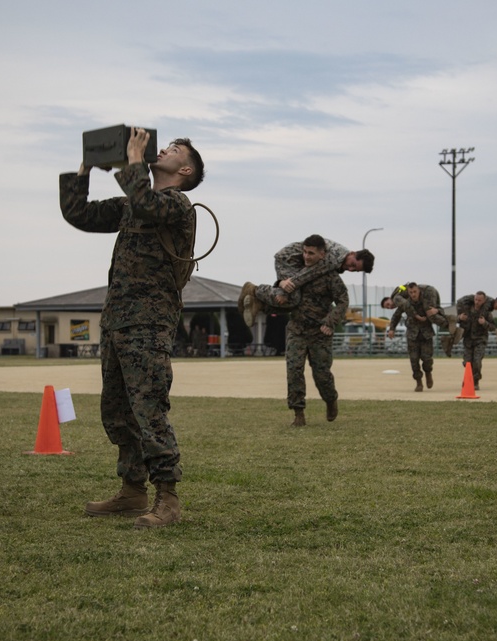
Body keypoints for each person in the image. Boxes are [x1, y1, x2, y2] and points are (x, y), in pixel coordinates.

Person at [60, 129, 204, 528]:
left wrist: (135, 159)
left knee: (148, 408)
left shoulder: (177, 205)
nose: (164, 149)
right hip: (118, 318)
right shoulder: (134, 203)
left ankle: (168, 498)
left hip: (149, 320)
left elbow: (146, 203)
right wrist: (87, 165)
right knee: (118, 410)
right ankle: (132, 490)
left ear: (186, 169)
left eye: (174, 150)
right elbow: (79, 213)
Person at [284, 235, 349, 426]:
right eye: (304, 252)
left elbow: (343, 301)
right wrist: (280, 284)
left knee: (321, 374)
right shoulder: (296, 270)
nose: (306, 256)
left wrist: (330, 322)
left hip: (319, 333)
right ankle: (298, 413)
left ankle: (330, 399)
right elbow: (281, 284)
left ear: (322, 254)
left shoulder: (331, 277)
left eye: (311, 253)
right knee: (294, 370)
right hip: (296, 329)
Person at [239, 239, 374, 326]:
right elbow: (306, 275)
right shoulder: (333, 260)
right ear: (352, 253)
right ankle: (254, 289)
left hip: (298, 264)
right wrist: (284, 289)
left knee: (297, 301)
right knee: (293, 297)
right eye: (352, 264)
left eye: (354, 270)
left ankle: (259, 304)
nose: (350, 268)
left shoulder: (341, 258)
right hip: (288, 260)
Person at [387, 282, 440, 391]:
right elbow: (396, 315)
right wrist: (392, 328)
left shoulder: (426, 301)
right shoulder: (406, 304)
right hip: (412, 335)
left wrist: (437, 312)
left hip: (426, 334)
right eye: (411, 292)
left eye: (415, 292)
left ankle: (428, 373)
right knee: (414, 361)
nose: (413, 294)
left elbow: (439, 312)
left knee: (427, 359)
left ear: (419, 291)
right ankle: (419, 382)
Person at [457, 291, 497, 389]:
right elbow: (456, 319)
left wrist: (484, 323)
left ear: (484, 301)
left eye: (479, 300)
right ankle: (467, 379)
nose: (477, 302)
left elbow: (492, 327)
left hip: (480, 340)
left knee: (477, 361)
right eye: (476, 299)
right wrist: (460, 318)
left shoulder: (487, 313)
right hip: (468, 339)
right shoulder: (467, 309)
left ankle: (475, 381)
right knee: (467, 362)